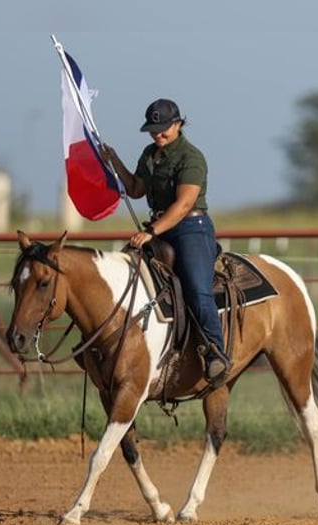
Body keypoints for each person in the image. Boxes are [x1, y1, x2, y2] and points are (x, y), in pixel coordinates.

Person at [102, 98, 231, 388]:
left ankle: (215, 352)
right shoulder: (150, 154)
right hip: (160, 228)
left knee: (197, 289)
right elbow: (136, 189)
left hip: (191, 229)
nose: (157, 135)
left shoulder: (191, 158)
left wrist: (152, 231)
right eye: (153, 130)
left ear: (178, 124)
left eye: (163, 129)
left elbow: (185, 204)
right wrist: (114, 160)